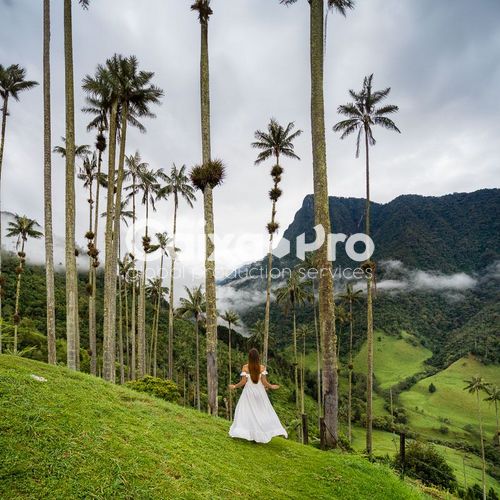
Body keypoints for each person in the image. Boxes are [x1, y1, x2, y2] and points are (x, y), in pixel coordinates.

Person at [228, 348, 288, 443]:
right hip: (260, 393)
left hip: (249, 392)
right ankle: (259, 432)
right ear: (258, 357)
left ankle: (249, 432)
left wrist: (234, 386)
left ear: (249, 357)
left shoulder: (245, 367)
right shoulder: (262, 368)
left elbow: (243, 382)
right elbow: (264, 382)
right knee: (261, 412)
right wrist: (271, 386)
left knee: (247, 411)